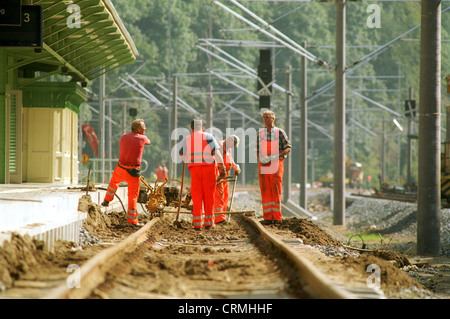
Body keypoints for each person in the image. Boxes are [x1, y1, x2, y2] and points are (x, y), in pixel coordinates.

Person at [101, 119, 151, 226]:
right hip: (133, 171)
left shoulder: (123, 136)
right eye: (143, 128)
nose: (145, 129)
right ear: (139, 129)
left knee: (113, 183)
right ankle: (132, 220)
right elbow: (148, 142)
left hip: (121, 167)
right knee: (133, 195)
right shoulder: (142, 138)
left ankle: (106, 200)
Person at [179, 119, 226, 230]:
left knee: (197, 196)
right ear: (202, 127)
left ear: (191, 128)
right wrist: (222, 167)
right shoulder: (209, 137)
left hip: (194, 170)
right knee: (209, 196)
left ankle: (197, 223)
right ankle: (209, 223)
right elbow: (217, 153)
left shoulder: (187, 139)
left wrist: (189, 160)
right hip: (209, 169)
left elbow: (181, 154)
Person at [256, 110, 291, 224]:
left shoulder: (279, 132)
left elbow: (288, 147)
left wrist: (276, 156)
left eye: (268, 117)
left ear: (273, 119)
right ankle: (267, 217)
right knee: (265, 189)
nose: (266, 119)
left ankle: (276, 217)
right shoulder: (260, 133)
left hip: (276, 164)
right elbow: (257, 150)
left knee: (275, 189)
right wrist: (261, 159)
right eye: (264, 118)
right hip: (264, 163)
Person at [214, 135, 241, 225]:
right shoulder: (220, 146)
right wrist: (219, 172)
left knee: (225, 195)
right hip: (220, 174)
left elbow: (230, 160)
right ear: (229, 141)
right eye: (233, 145)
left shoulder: (227, 148)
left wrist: (235, 167)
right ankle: (219, 218)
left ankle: (222, 216)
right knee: (219, 195)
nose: (233, 147)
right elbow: (215, 159)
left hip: (226, 175)